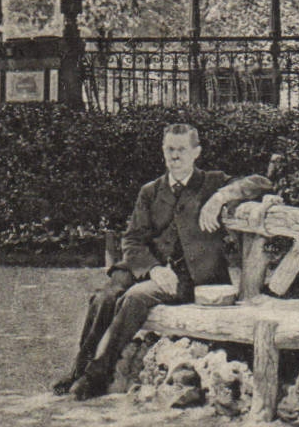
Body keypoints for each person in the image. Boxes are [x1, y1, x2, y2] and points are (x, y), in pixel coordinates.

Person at [55, 122, 271, 400]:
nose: (175, 156)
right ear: (163, 152)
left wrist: (220, 198)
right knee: (103, 297)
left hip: (191, 277)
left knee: (135, 298)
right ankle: (78, 369)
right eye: (169, 149)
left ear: (196, 152)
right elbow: (132, 241)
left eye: (182, 150)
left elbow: (261, 182)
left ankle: (98, 374)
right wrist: (154, 269)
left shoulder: (211, 182)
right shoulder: (151, 191)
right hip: (148, 268)